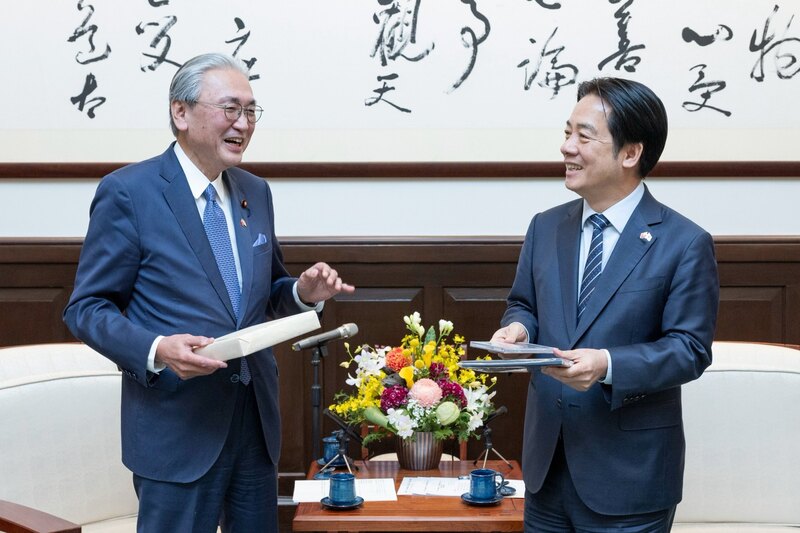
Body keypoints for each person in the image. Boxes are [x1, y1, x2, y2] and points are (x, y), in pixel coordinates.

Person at [63, 52, 355, 533]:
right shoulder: (129, 192)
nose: (244, 123)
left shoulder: (254, 191)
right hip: (177, 426)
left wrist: (304, 293)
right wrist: (157, 349)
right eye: (230, 108)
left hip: (254, 423)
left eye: (251, 111)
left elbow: (263, 297)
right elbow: (86, 309)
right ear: (181, 112)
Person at [490, 77, 719, 531]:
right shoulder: (545, 227)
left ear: (630, 153)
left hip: (629, 478)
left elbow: (689, 349)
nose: (566, 147)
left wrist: (608, 364)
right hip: (546, 467)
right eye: (566, 132)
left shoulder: (684, 242)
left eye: (584, 136)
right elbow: (523, 304)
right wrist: (519, 328)